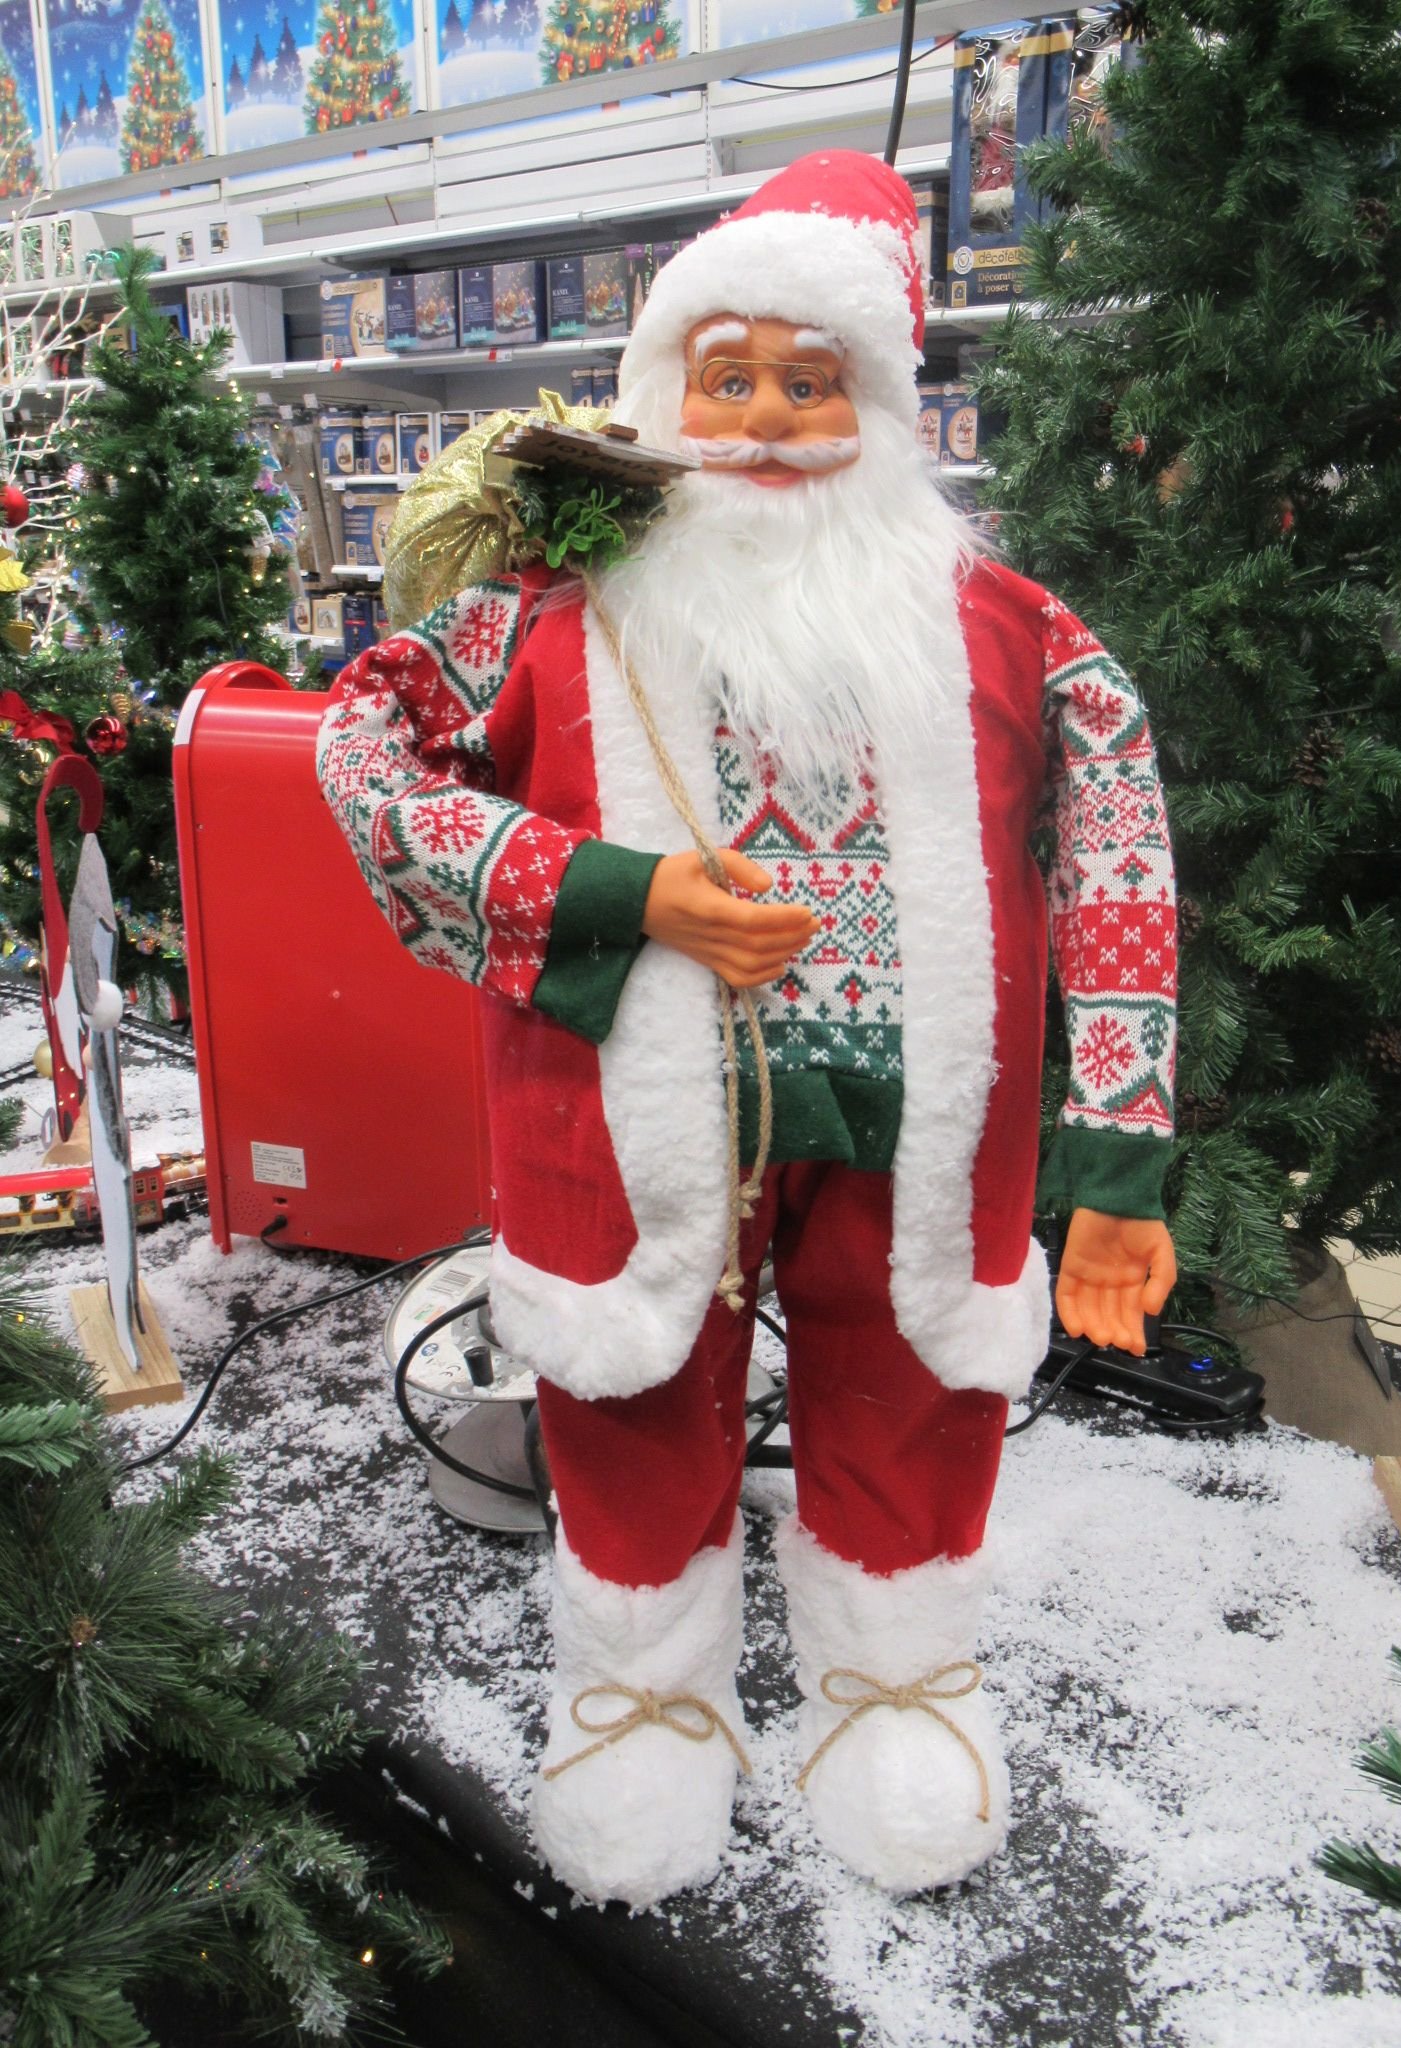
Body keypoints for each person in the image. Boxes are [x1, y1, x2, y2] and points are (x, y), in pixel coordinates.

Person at [318, 150, 1178, 1909]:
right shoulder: (553, 615)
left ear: (881, 403)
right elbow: (363, 750)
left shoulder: (1011, 630)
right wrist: (619, 889)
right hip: (628, 1130)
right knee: (632, 1397)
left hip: (925, 1128)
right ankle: (640, 1696)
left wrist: (1117, 1161)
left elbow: (1123, 857)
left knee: (914, 1390)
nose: (774, 421)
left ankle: (896, 1681)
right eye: (733, 378)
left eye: (815, 381)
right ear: (668, 392)